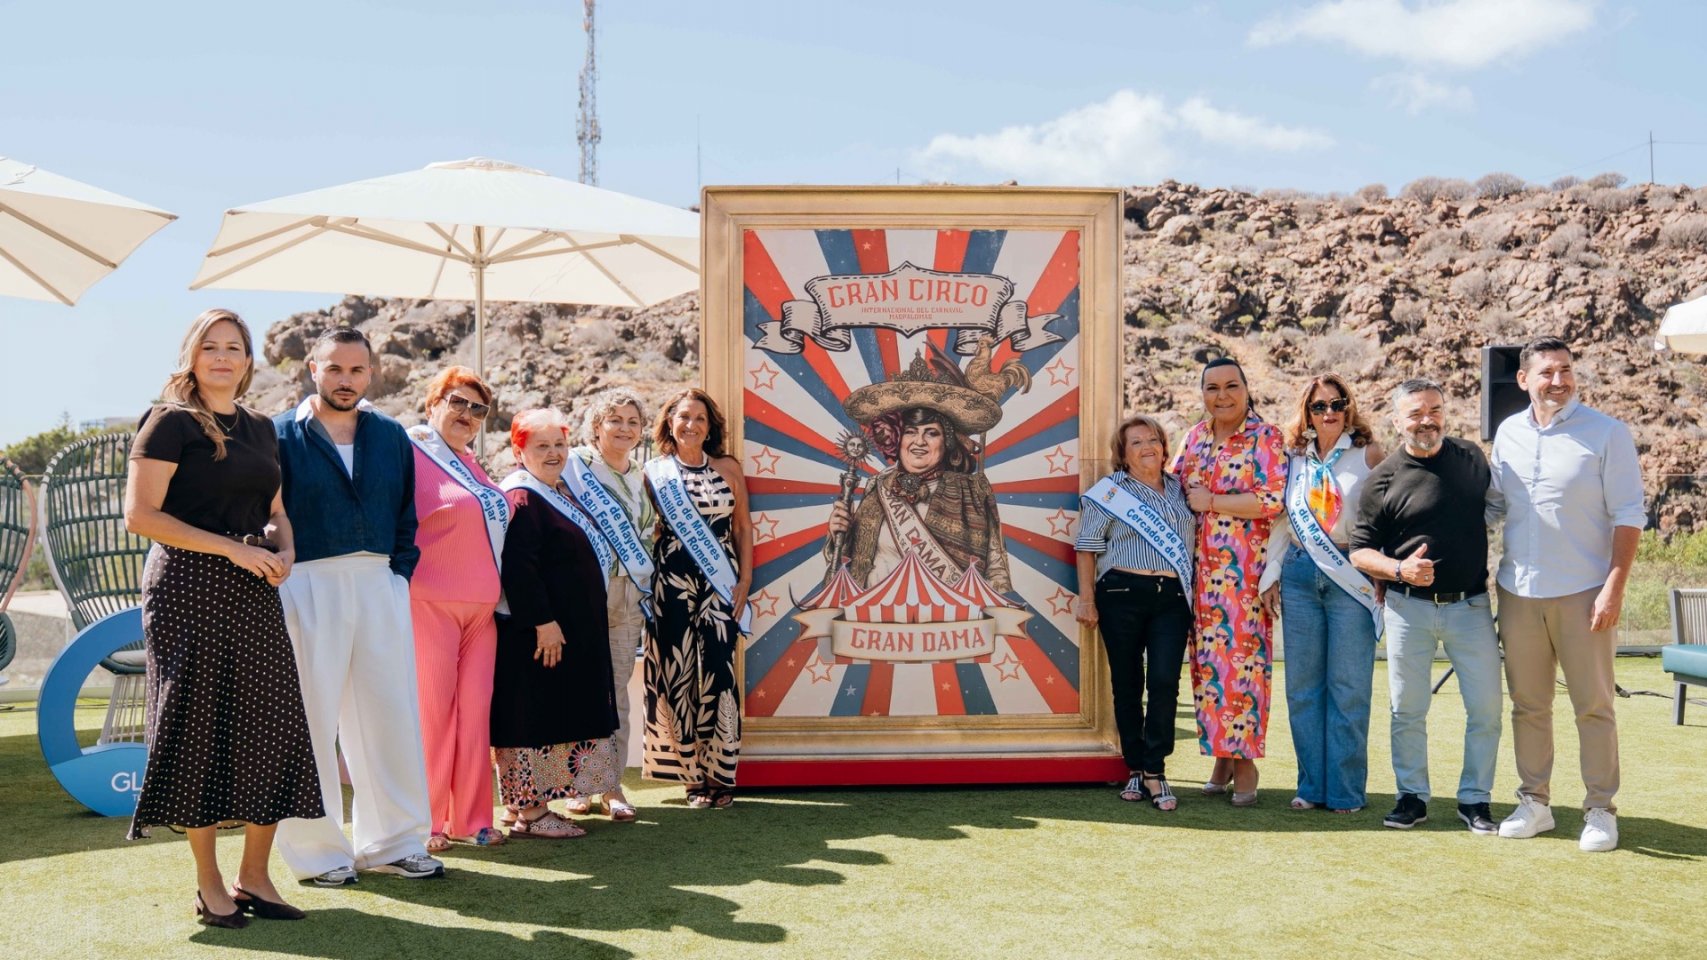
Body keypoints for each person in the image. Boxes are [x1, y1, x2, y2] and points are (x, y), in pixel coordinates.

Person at [124, 308, 323, 928]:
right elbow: (141, 516)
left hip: (254, 587)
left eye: (233, 347)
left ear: (248, 360)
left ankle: (255, 877)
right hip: (187, 587)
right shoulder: (168, 422)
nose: (221, 357)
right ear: (192, 354)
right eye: (210, 346)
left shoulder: (261, 427)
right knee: (199, 729)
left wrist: (285, 550)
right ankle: (209, 883)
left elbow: (276, 510)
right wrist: (233, 549)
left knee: (272, 724)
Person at [274, 328, 443, 884]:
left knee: (389, 717)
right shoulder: (279, 435)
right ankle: (319, 854)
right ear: (312, 369)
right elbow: (266, 515)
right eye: (334, 369)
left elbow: (406, 515)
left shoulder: (391, 435)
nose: (345, 380)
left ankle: (394, 844)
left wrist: (398, 579)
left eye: (356, 370)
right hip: (307, 583)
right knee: (310, 722)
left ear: (370, 373)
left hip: (378, 583)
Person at [1488, 337, 1645, 852]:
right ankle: (1535, 803)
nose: (1559, 381)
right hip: (1518, 591)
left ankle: (1600, 809)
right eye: (1547, 372)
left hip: (1585, 592)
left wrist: (1613, 589)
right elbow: (1494, 507)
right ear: (1523, 380)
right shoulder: (1508, 433)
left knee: (1594, 707)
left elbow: (1629, 515)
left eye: (1566, 370)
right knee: (1528, 706)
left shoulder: (1607, 433)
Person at [1349, 378, 1503, 834]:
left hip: (1471, 606)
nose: (1426, 421)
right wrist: (1399, 570)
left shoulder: (1472, 458)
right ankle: (1411, 797)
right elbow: (1360, 552)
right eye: (1415, 413)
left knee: (1487, 710)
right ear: (1397, 421)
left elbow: (1493, 510)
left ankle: (1475, 800)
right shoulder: (1382, 479)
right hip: (1407, 608)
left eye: (1434, 410)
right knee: (1407, 710)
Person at [1258, 375, 1386, 814]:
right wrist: (1272, 574)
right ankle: (1311, 786)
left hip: (1350, 571)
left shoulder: (1369, 455)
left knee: (1348, 688)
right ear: (1307, 413)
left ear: (1349, 407)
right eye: (1319, 406)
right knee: (1303, 689)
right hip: (1299, 572)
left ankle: (1346, 792)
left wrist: (1383, 571)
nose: (1328, 412)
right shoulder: (1292, 457)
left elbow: (1385, 517)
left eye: (1336, 403)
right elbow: (1281, 520)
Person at [493, 409, 623, 838]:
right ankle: (531, 813)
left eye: (559, 445)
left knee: (552, 714)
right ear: (519, 452)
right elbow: (519, 568)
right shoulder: (523, 497)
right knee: (533, 716)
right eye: (542, 446)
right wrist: (543, 622)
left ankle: (524, 807)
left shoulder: (554, 492)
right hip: (539, 635)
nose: (553, 453)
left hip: (565, 634)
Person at [1170, 356, 1287, 806]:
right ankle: (1221, 756)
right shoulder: (1194, 437)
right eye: (1212, 388)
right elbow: (1174, 489)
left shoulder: (1266, 436)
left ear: (1246, 389)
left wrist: (1214, 501)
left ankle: (1246, 762)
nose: (1222, 396)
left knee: (1244, 667)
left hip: (1244, 575)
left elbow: (1273, 499)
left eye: (1231, 386)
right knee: (1207, 668)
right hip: (1196, 577)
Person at [407, 366, 510, 850]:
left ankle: (470, 820)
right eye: (457, 402)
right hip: (430, 603)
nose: (467, 414)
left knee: (474, 717)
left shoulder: (473, 464)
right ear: (433, 405)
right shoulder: (411, 452)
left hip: (482, 612)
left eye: (478, 409)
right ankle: (425, 823)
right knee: (433, 716)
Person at [1075, 415, 1196, 811]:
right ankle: (1136, 767)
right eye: (1137, 442)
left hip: (1171, 597)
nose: (1147, 447)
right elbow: (1087, 547)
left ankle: (1155, 768)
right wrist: (1087, 600)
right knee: (1128, 684)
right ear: (1123, 454)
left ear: (1164, 446)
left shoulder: (1181, 488)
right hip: (1121, 593)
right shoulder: (1110, 492)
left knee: (1164, 682)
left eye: (1153, 439)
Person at [641, 388, 753, 809]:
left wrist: (745, 580)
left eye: (700, 418)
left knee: (720, 671)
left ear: (710, 427)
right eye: (684, 417)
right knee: (679, 672)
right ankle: (691, 777)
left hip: (721, 582)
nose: (691, 425)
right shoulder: (654, 472)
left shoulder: (728, 468)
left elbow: (742, 527)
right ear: (670, 423)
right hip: (671, 581)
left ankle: (720, 774)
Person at [830, 351, 1011, 591]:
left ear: (947, 442)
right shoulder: (877, 487)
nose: (919, 442)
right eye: (911, 432)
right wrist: (839, 534)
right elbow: (851, 563)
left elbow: (996, 570)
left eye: (931, 433)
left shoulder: (973, 491)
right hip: (877, 610)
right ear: (898, 439)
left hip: (947, 613)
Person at [561, 390, 657, 822]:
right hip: (586, 591)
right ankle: (579, 784)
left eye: (633, 421)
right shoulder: (574, 466)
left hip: (628, 593)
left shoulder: (640, 474)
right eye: (614, 420)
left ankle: (611, 786)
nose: (624, 428)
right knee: (581, 687)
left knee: (616, 691)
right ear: (596, 426)